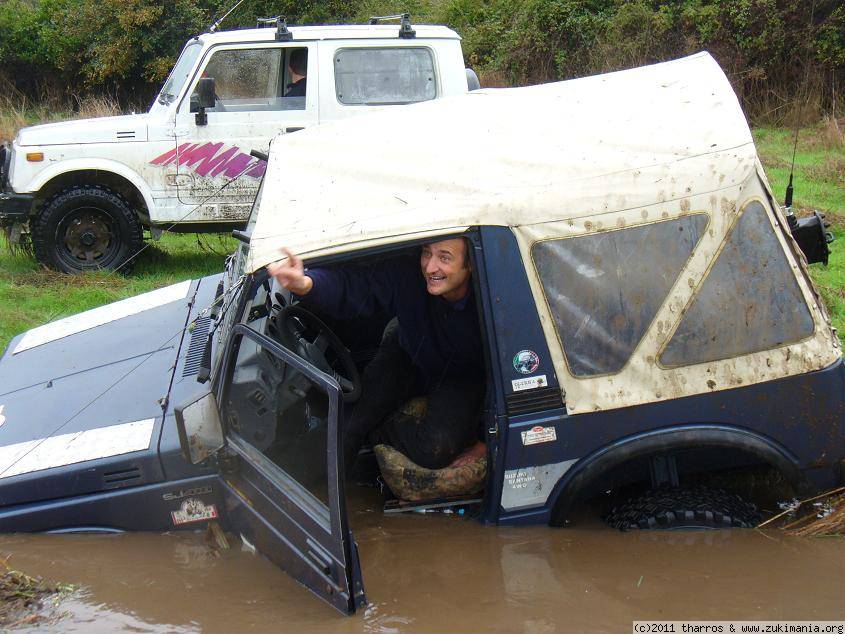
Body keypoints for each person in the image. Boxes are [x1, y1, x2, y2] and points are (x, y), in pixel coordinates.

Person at [267, 238, 487, 476]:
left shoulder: (492, 301)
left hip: (462, 374)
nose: (430, 267)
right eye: (426, 253)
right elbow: (357, 286)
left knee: (434, 448)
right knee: (353, 419)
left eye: (444, 258)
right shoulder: (407, 273)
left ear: (471, 264)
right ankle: (282, 474)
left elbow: (512, 372)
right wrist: (307, 283)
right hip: (408, 351)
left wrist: (487, 439)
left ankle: (381, 431)